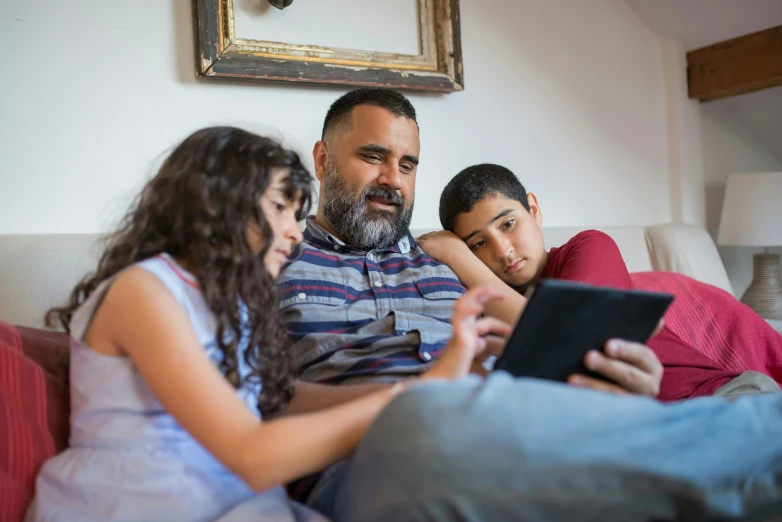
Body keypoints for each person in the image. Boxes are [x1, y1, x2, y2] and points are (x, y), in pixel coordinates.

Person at [27, 127, 509, 522]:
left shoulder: (230, 302)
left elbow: (277, 399)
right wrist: (409, 398)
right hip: (142, 501)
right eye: (281, 209)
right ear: (218, 204)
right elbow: (253, 456)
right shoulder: (143, 292)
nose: (297, 232)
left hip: (231, 499)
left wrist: (437, 383)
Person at [278, 88, 667, 512]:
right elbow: (254, 396)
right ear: (322, 160)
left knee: (741, 426)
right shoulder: (272, 259)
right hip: (374, 453)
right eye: (373, 157)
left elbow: (534, 351)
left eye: (407, 165)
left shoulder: (446, 259)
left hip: (504, 427)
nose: (393, 179)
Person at [418, 163, 782, 399]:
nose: (503, 251)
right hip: (636, 438)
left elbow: (567, 335)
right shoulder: (476, 308)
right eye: (479, 243)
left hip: (722, 399)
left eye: (508, 223)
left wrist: (459, 255)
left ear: (534, 209)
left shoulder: (589, 247)